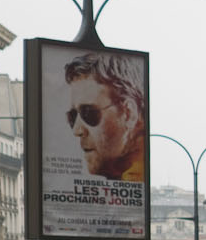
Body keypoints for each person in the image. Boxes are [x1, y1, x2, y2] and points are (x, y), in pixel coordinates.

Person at [62, 51, 147, 181]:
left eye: (89, 113)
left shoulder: (136, 179)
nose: (77, 130)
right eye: (72, 117)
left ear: (128, 114)